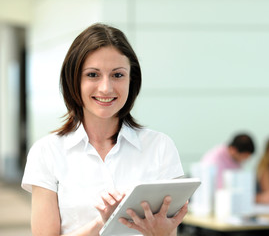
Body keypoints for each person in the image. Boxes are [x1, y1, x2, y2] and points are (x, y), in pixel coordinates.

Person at [21, 23, 187, 236]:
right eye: (92, 75)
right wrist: (102, 223)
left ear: (131, 80)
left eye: (118, 75)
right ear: (74, 80)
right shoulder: (46, 151)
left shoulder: (160, 147)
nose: (106, 88)